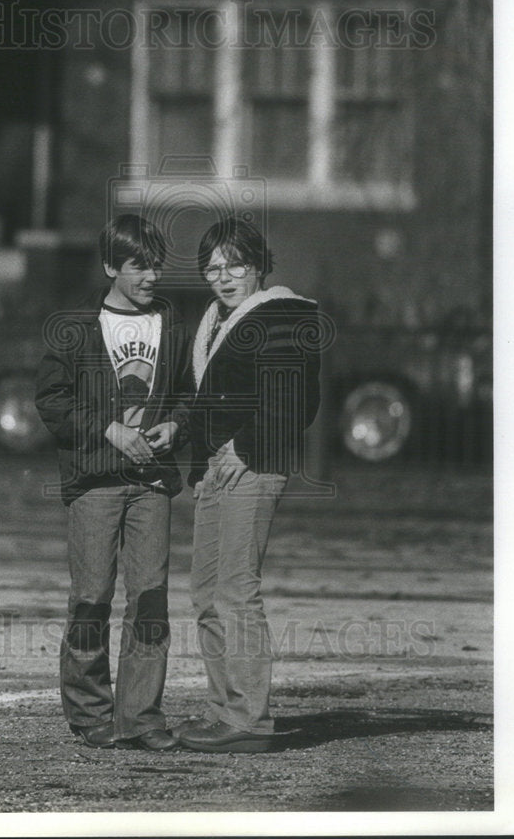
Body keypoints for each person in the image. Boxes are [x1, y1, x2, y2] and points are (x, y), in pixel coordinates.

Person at [35, 214, 192, 752]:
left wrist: (177, 423)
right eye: (139, 265)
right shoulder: (77, 325)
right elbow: (52, 401)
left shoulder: (171, 321)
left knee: (150, 600)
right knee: (92, 598)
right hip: (95, 483)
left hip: (152, 483)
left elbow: (191, 394)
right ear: (110, 266)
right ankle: (90, 714)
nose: (151, 276)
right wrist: (109, 430)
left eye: (157, 265)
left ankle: (142, 717)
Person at [178, 216, 321, 753]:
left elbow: (294, 399)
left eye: (235, 264)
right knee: (206, 594)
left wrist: (244, 446)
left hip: (253, 464)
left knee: (236, 589)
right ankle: (226, 712)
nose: (224, 275)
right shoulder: (217, 319)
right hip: (216, 467)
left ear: (258, 265)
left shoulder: (282, 313)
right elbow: (209, 401)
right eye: (212, 267)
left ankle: (249, 720)